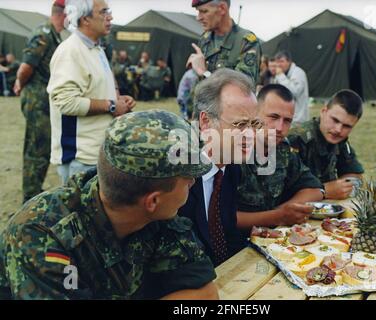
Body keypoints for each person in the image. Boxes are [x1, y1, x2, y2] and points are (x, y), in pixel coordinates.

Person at [0, 110, 218, 300]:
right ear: (152, 201)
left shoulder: (160, 217)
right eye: (187, 177)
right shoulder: (41, 235)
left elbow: (204, 294)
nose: (192, 181)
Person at [47, 0, 136, 186]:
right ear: (85, 19)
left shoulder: (96, 48)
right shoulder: (70, 51)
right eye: (104, 12)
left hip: (97, 152)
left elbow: (96, 88)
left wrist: (118, 100)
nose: (110, 17)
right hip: (79, 158)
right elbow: (66, 102)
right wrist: (112, 106)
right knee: (82, 214)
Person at [178, 68, 259, 266]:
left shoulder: (231, 167)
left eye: (255, 124)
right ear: (206, 122)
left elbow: (226, 233)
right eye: (240, 124)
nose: (250, 135)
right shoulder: (179, 175)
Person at [237, 84, 323, 232]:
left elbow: (315, 189)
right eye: (273, 117)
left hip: (270, 238)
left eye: (287, 120)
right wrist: (277, 216)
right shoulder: (235, 150)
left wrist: (283, 211)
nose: (280, 127)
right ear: (254, 113)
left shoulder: (282, 148)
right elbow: (219, 218)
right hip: (235, 246)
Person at [13, 0, 66, 203]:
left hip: (44, 100)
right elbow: (26, 66)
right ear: (62, 14)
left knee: (42, 148)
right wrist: (19, 83)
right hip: (37, 100)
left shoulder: (53, 35)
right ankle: (30, 195)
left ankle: (33, 190)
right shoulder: (43, 34)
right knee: (36, 149)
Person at [288, 89, 365, 200]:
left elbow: (355, 174)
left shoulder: (339, 140)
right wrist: (324, 190)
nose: (338, 129)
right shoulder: (296, 139)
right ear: (323, 111)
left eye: (347, 126)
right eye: (335, 120)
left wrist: (345, 185)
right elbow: (283, 193)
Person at [187, 0, 261, 86]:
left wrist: (204, 72)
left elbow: (242, 89)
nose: (198, 18)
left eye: (204, 11)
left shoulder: (246, 41)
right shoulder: (205, 39)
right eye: (198, 11)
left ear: (222, 8)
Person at [272, 50, 309, 125]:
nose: (278, 65)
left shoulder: (298, 73)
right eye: (277, 62)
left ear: (289, 62)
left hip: (297, 121)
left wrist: (280, 76)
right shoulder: (282, 74)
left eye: (281, 61)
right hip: (286, 118)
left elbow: (294, 92)